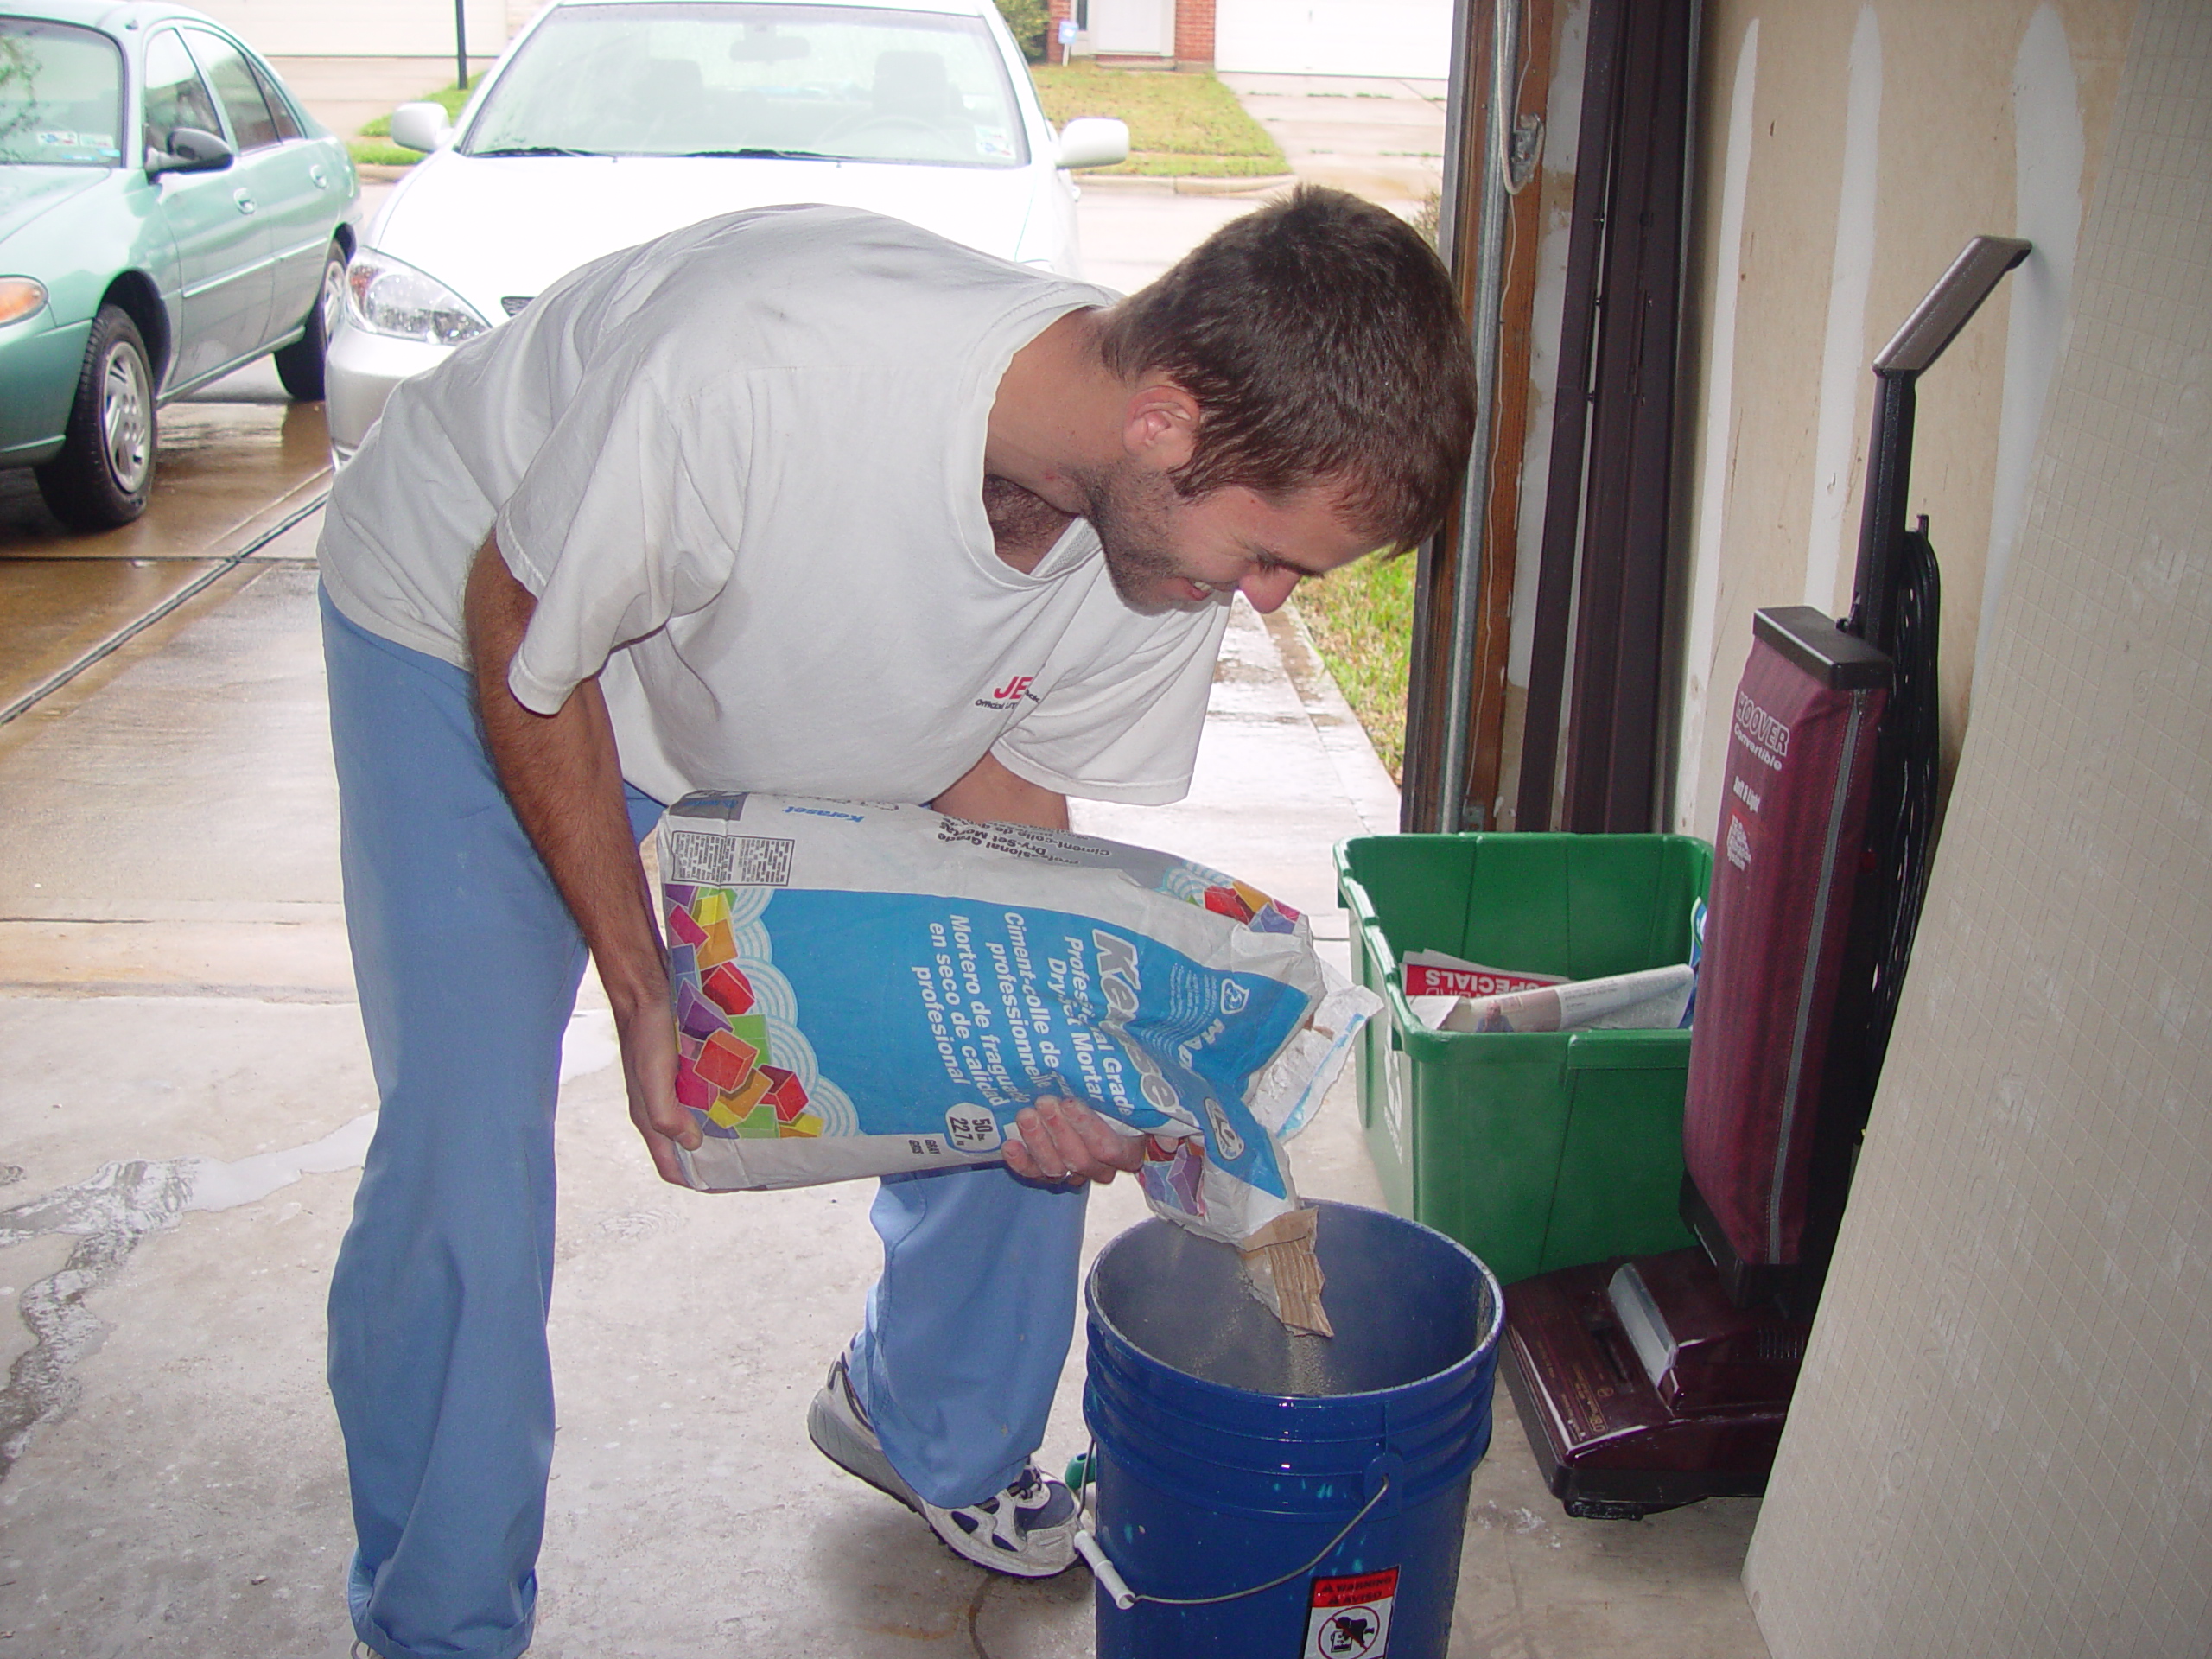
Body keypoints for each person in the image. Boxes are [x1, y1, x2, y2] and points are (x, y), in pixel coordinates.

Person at [316, 186, 1474, 1659]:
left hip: (738, 680)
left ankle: (921, 1420)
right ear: (1168, 423)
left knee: (1010, 1052)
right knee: (465, 1151)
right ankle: (434, 1617)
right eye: (1273, 557)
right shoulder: (767, 370)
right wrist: (641, 982)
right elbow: (522, 643)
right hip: (471, 625)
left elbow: (994, 865)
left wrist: (1049, 1081)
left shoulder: (1150, 560)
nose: (1259, 604)